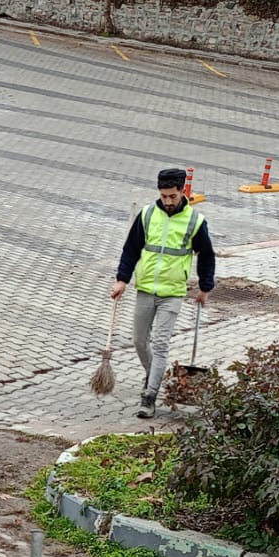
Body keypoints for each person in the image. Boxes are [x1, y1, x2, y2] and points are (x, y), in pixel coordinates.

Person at [110, 169, 216, 420]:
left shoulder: (195, 221)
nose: (168, 201)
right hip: (145, 289)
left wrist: (205, 287)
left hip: (173, 293)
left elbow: (206, 255)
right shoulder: (147, 215)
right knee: (139, 341)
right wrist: (122, 279)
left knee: (160, 344)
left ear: (182, 191)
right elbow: (131, 249)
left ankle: (150, 396)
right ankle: (154, 375)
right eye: (164, 196)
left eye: (172, 196)